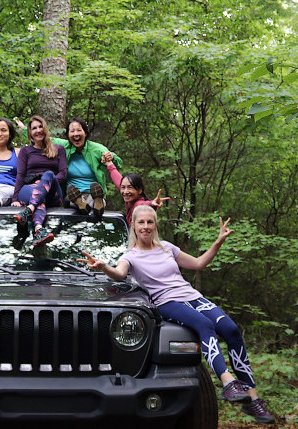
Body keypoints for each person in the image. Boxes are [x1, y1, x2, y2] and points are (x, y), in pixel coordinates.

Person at [78, 205, 275, 425]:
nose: (145, 227)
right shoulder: (130, 256)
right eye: (141, 222)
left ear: (155, 225)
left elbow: (199, 264)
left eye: (150, 222)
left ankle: (253, 400)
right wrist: (105, 267)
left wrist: (218, 242)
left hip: (192, 296)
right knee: (204, 325)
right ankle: (228, 382)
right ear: (133, 225)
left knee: (231, 330)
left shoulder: (167, 248)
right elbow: (119, 273)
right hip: (167, 302)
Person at [16, 116, 122, 220]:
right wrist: (25, 129)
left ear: (85, 132)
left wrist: (111, 156)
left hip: (92, 192)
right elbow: (43, 137)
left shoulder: (96, 149)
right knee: (73, 201)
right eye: (72, 131)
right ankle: (85, 203)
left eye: (79, 130)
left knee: (93, 202)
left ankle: (97, 201)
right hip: (72, 194)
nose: (76, 134)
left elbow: (117, 162)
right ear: (68, 135)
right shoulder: (64, 146)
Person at [11, 115, 67, 248]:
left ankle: (29, 210)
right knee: (38, 197)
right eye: (34, 128)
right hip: (29, 190)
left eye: (40, 127)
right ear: (30, 133)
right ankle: (39, 229)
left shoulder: (58, 149)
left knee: (48, 174)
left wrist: (44, 183)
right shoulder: (25, 151)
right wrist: (15, 199)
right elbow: (20, 175)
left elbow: (63, 174)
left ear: (45, 129)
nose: (38, 130)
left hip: (53, 192)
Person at [102, 154, 169, 224]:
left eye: (130, 187)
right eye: (123, 187)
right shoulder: (128, 197)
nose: (125, 191)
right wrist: (109, 163)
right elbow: (117, 179)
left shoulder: (138, 205)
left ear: (140, 190)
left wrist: (152, 203)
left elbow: (141, 205)